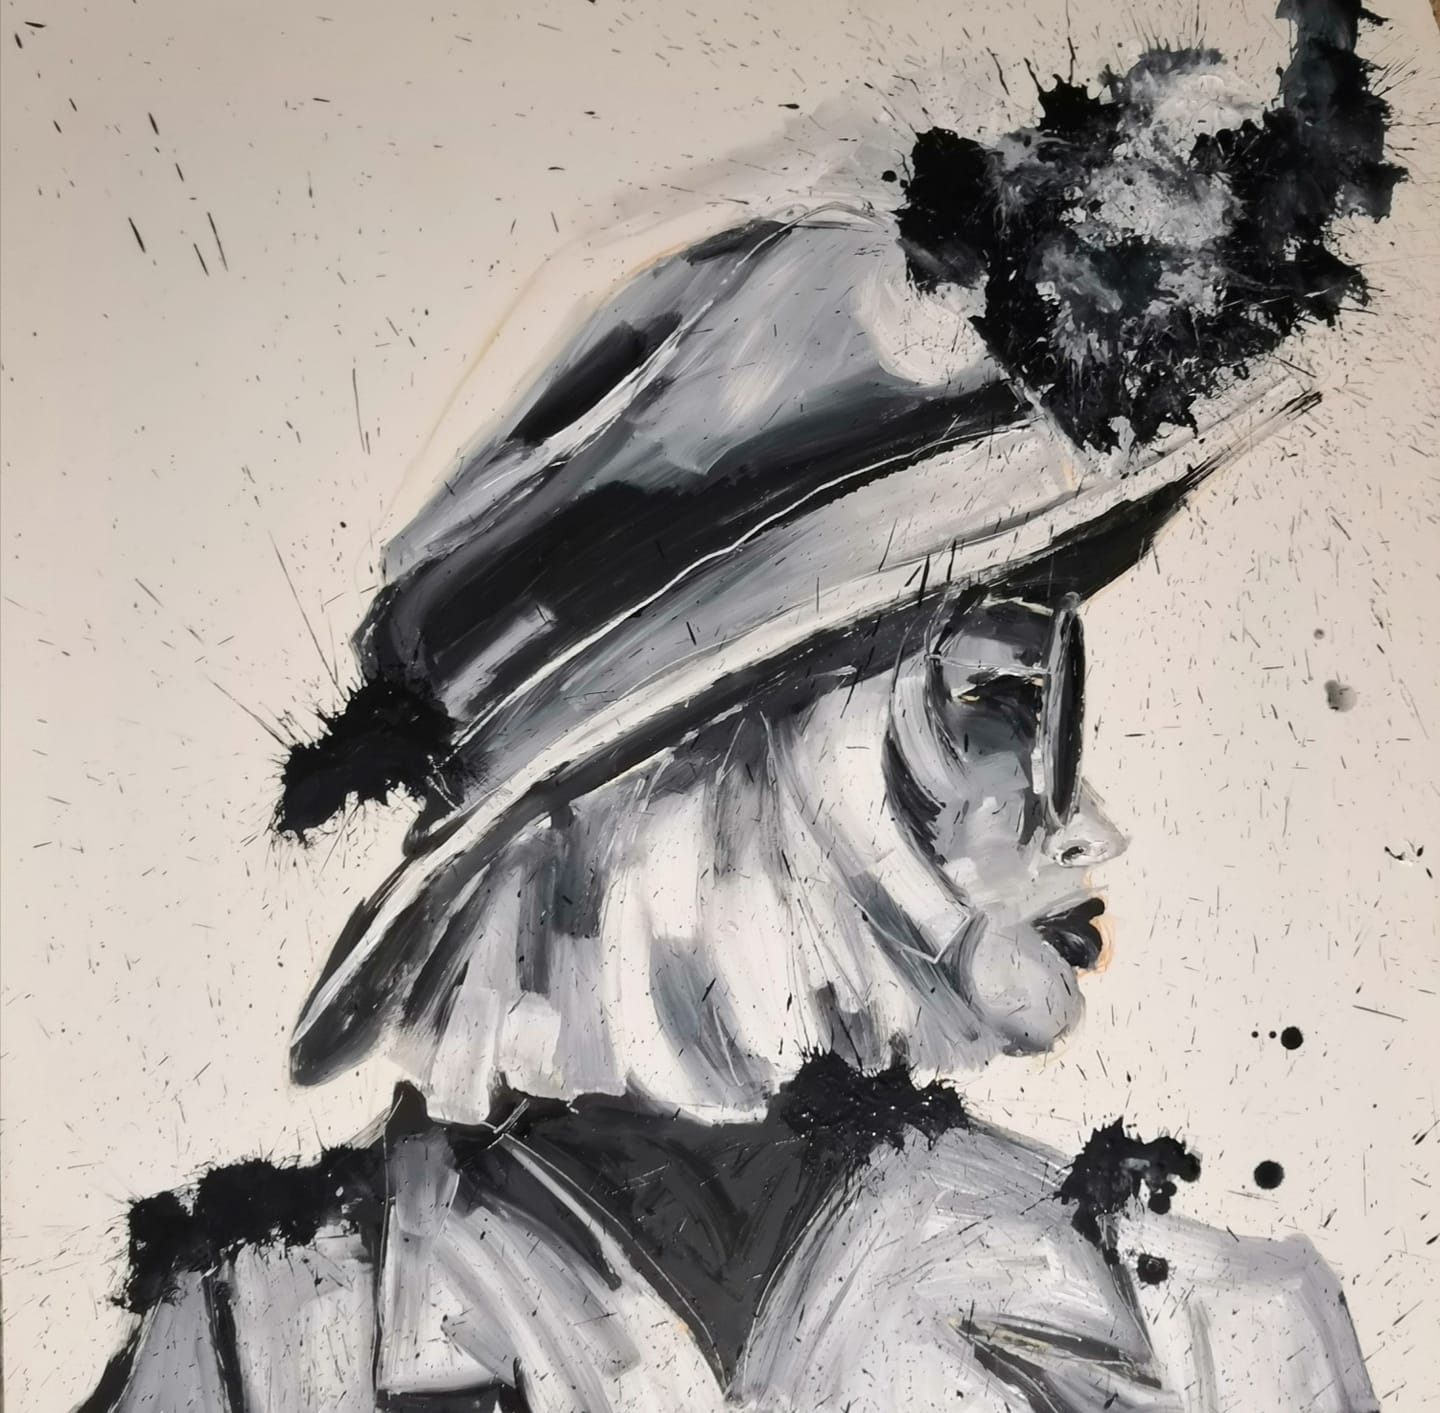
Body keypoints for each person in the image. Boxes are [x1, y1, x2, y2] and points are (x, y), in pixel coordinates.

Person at [80, 4, 1395, 1409]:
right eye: (1002, 706)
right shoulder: (263, 1347)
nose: (1086, 821)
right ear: (726, 768)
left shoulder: (1224, 1338)